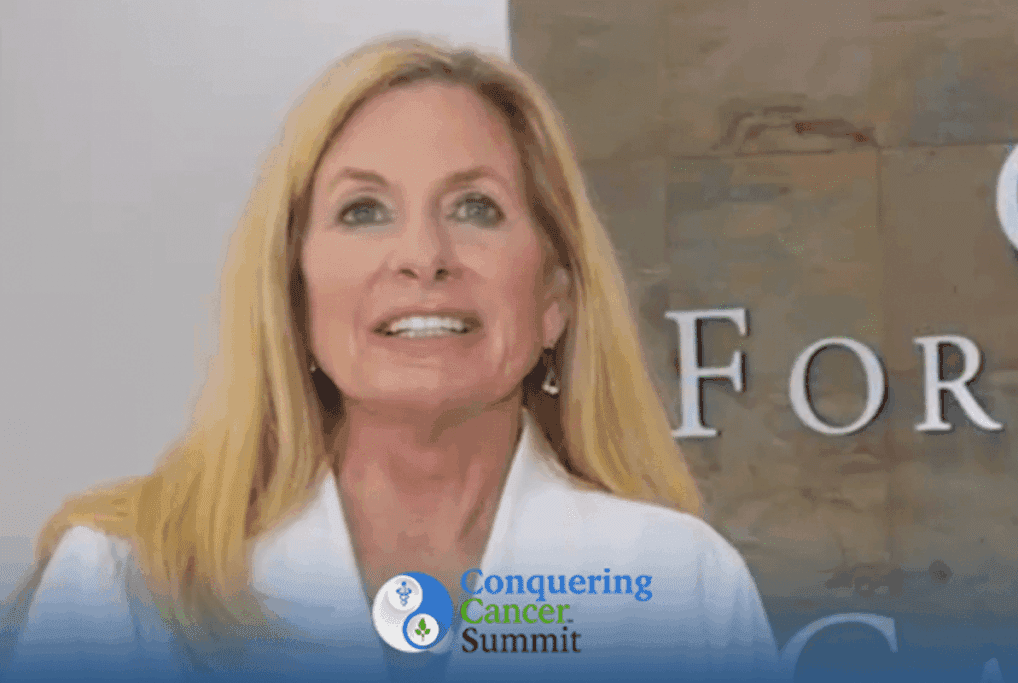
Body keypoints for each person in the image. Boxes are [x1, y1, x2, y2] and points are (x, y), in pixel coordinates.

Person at [0, 37, 782, 682]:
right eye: (363, 210)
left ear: (555, 296)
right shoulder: (123, 583)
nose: (422, 255)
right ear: (292, 294)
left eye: (476, 207)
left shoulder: (682, 587)